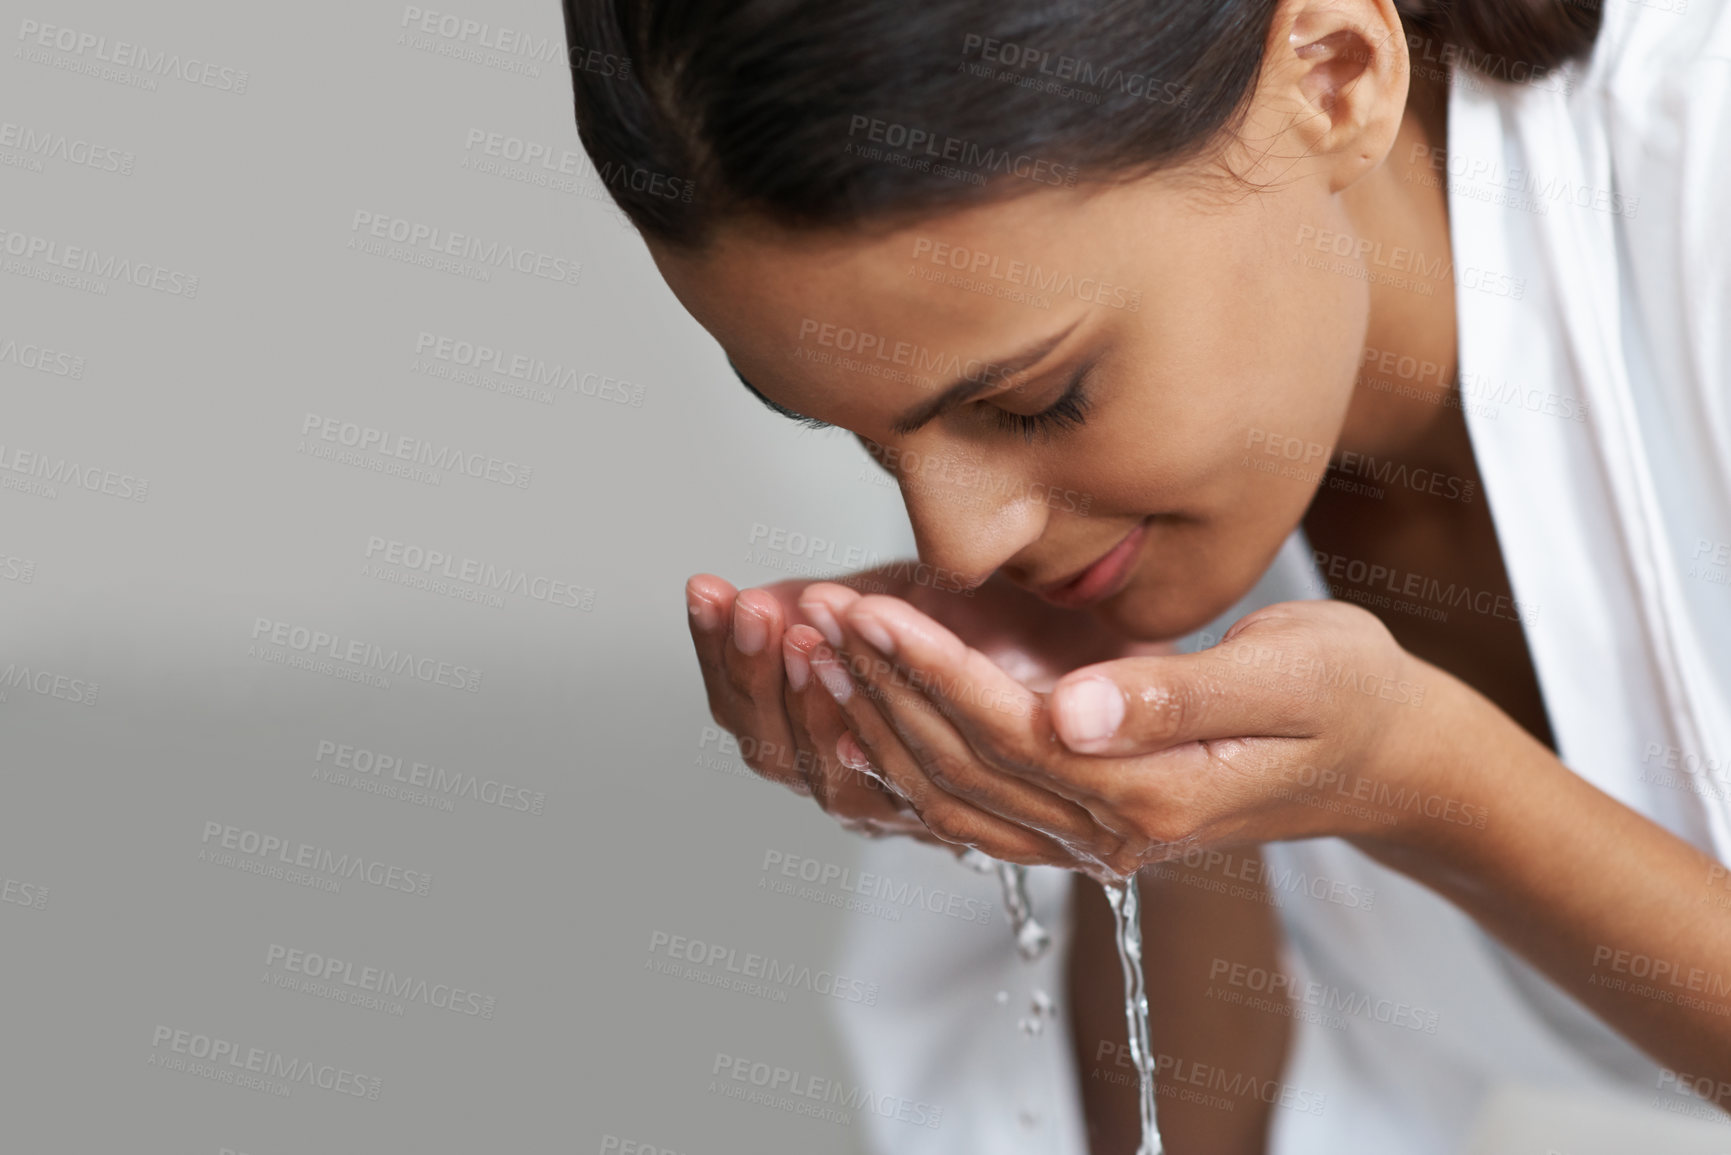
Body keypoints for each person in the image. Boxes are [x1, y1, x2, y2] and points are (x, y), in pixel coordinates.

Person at [560, 0, 1731, 1150]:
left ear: (1332, 75)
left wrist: (1424, 783)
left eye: (1032, 400)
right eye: (865, 438)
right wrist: (1132, 787)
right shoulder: (1147, 539)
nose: (961, 546)